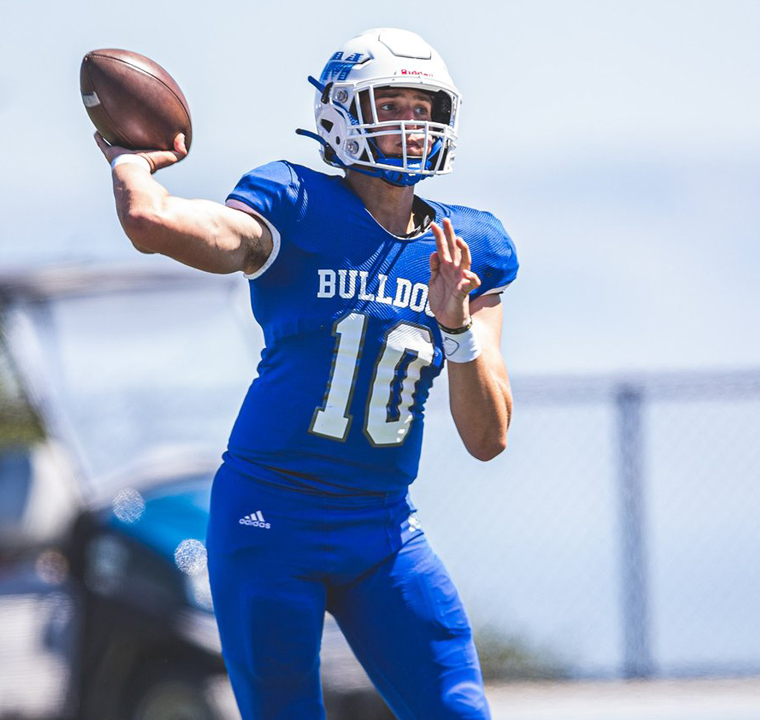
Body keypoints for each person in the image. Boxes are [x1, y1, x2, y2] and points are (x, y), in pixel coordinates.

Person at [95, 27, 517, 720]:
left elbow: (488, 437)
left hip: (383, 529)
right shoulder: (291, 203)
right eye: (392, 104)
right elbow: (152, 222)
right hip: (271, 521)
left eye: (422, 107)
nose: (411, 125)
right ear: (338, 115)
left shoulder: (469, 248)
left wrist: (458, 330)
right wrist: (131, 163)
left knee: (459, 711)